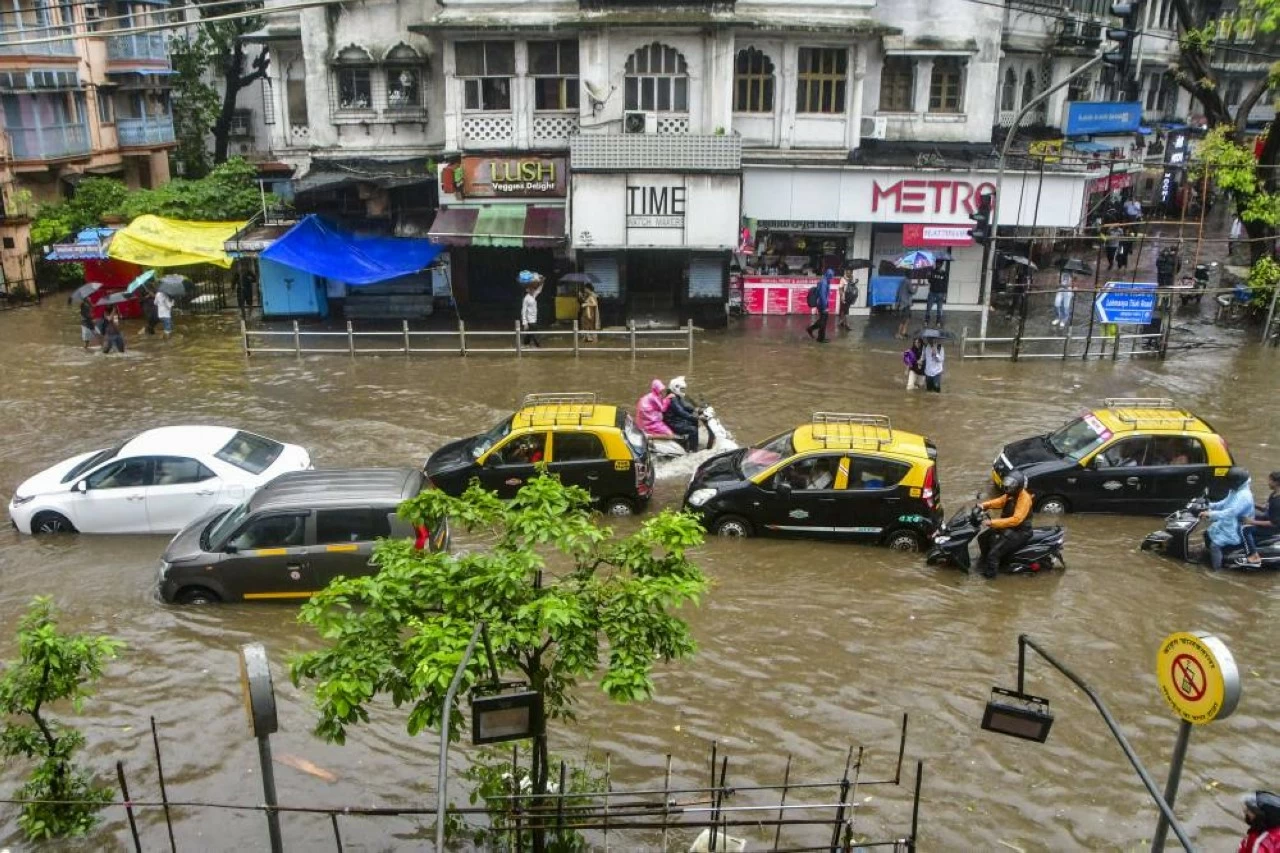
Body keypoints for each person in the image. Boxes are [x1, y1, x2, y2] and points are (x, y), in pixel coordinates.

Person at [977, 470, 1034, 578]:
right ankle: (984, 562)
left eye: (1011, 485)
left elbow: (1016, 520)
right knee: (982, 538)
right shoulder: (1011, 494)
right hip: (1008, 526)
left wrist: (992, 522)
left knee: (994, 554)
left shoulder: (1024, 499)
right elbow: (1000, 501)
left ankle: (989, 579)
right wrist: (983, 505)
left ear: (1018, 486)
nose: (1008, 487)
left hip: (1019, 531)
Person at [1200, 466, 1255, 570]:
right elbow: (1225, 502)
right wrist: (1210, 505)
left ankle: (1217, 570)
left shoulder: (1244, 496)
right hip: (1229, 522)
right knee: (1207, 533)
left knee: (1214, 546)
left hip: (1237, 526)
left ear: (1237, 482)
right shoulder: (1236, 490)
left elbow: (1231, 512)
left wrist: (1210, 514)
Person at [663, 375, 701, 451]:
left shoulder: (676, 396)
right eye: (682, 389)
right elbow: (680, 411)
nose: (683, 391)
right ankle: (693, 451)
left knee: (694, 421)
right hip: (672, 423)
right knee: (693, 429)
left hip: (675, 420)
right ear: (676, 388)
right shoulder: (673, 398)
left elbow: (684, 406)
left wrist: (696, 409)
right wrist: (694, 417)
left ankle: (688, 442)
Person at [806, 269, 832, 343]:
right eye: (830, 275)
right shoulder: (824, 282)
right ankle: (820, 338)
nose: (831, 277)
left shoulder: (825, 281)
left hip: (822, 303)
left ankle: (811, 330)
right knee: (823, 321)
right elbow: (823, 295)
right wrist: (825, 306)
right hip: (822, 304)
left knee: (822, 320)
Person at [519, 272, 542, 348]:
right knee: (535, 334)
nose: (532, 290)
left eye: (532, 289)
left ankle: (524, 345)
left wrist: (542, 281)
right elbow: (523, 311)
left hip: (534, 319)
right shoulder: (526, 298)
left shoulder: (533, 296)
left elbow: (539, 290)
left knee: (529, 334)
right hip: (530, 320)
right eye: (530, 289)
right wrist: (525, 323)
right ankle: (538, 347)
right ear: (527, 290)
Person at [925, 261, 948, 325]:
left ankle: (938, 321)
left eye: (939, 264)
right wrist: (928, 276)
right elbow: (930, 281)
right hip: (932, 292)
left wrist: (945, 293)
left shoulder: (944, 273)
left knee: (939, 308)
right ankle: (927, 320)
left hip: (940, 293)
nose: (938, 265)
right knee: (929, 307)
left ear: (941, 264)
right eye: (937, 263)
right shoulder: (932, 272)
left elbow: (945, 284)